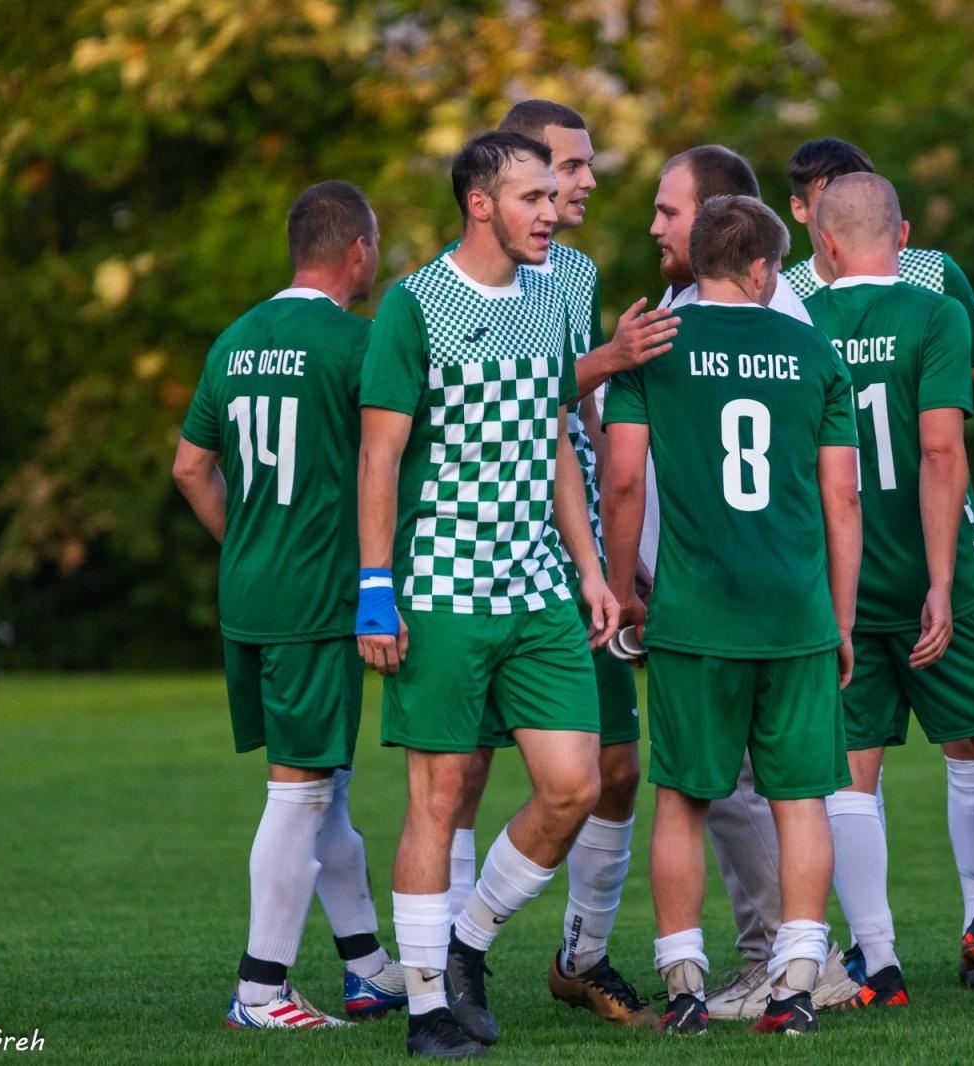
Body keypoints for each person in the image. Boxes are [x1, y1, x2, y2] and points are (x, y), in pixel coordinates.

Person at [355, 132, 619, 1059]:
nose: (551, 212)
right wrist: (376, 588)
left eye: (552, 195)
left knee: (574, 787)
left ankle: (464, 944)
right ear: (480, 204)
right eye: (532, 197)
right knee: (437, 796)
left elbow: (554, 440)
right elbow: (379, 456)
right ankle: (428, 1006)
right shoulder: (414, 304)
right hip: (442, 587)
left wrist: (590, 569)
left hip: (539, 587)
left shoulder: (550, 297)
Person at [778, 140, 974, 981]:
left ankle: (881, 960)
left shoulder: (791, 320)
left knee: (851, 773)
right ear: (901, 233)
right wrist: (940, 580)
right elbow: (940, 452)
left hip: (838, 576)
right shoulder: (934, 310)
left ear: (823, 242)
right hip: (936, 565)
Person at [601, 194, 862, 1036]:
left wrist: (620, 585)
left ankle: (684, 987)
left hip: (694, 612)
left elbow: (624, 479)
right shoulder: (814, 350)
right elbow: (842, 497)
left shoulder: (656, 347)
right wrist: (842, 620)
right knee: (801, 799)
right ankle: (797, 984)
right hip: (795, 612)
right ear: (760, 269)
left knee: (682, 797)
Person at [444, 99, 667, 1029]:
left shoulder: (572, 271)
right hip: (474, 557)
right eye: (569, 166)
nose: (584, 183)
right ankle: (439, 964)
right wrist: (609, 357)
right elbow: (506, 395)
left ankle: (581, 956)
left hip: (565, 555)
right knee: (458, 774)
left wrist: (619, 552)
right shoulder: (456, 288)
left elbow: (578, 418)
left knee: (613, 768)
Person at [172, 180, 407, 1030]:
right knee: (302, 791)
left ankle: (368, 969)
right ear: (357, 250)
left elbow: (190, 467)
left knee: (324, 783)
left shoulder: (236, 338)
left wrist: (247, 545)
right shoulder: (355, 343)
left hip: (251, 591)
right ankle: (260, 990)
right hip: (314, 598)